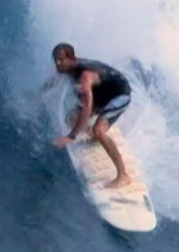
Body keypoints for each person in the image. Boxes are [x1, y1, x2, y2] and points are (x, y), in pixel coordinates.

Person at [45, 43, 134, 189]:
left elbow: (87, 107)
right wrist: (38, 94)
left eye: (60, 60)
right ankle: (95, 135)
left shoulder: (85, 76)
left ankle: (123, 175)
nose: (57, 64)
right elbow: (53, 81)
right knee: (71, 119)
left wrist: (71, 137)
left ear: (70, 57)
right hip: (103, 93)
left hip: (119, 94)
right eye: (55, 60)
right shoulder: (69, 67)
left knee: (98, 130)